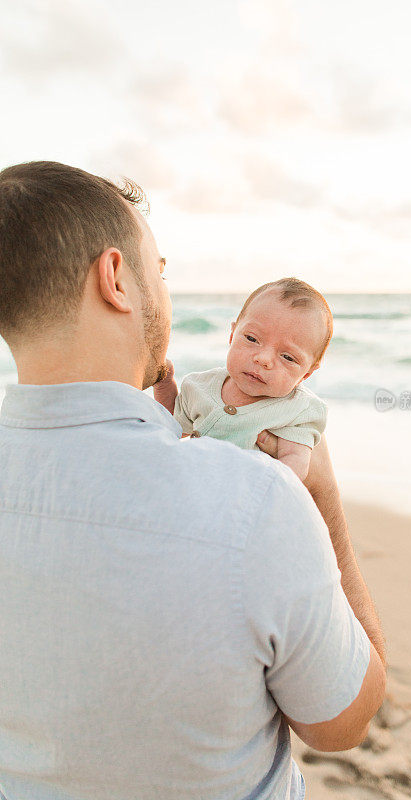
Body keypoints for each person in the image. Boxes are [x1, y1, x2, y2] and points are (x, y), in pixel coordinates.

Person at [0, 161, 387, 800]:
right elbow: (344, 720)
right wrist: (318, 495)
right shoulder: (258, 502)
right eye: (161, 271)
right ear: (117, 278)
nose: (167, 293)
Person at [153, 277, 332, 480]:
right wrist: (164, 383)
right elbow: (171, 427)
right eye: (251, 338)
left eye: (288, 357)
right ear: (232, 335)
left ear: (306, 374)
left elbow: (293, 469)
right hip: (193, 487)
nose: (263, 359)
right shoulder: (199, 386)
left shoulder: (298, 410)